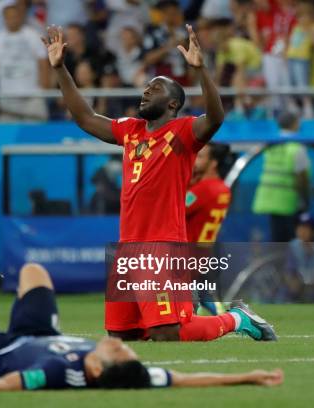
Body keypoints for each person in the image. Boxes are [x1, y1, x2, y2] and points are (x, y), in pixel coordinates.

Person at [45, 25, 275, 342]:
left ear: (172, 104)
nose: (146, 91)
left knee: (167, 331)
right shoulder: (131, 130)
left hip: (162, 245)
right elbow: (85, 118)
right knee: (121, 335)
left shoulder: (183, 133)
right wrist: (59, 69)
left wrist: (201, 71)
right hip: (127, 248)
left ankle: (236, 319)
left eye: (156, 88)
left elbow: (216, 117)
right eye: (146, 87)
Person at [0, 263, 284, 390]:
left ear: (95, 368)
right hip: (42, 337)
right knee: (34, 272)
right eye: (127, 349)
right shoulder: (128, 373)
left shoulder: (57, 371)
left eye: (118, 349)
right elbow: (184, 378)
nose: (122, 346)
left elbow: (5, 384)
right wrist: (247, 376)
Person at [186, 143, 232, 315]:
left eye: (200, 156)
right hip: (205, 249)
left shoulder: (202, 190)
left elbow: (173, 209)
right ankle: (223, 316)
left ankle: (224, 319)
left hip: (188, 252)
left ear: (213, 163)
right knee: (203, 294)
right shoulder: (223, 189)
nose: (194, 160)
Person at [0, 3, 49, 122]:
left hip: (32, 97)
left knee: (37, 135)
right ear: (4, 19)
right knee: (7, 136)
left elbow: (44, 63)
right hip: (6, 98)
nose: (12, 20)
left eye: (15, 16)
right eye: (9, 17)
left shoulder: (33, 36)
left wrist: (43, 91)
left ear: (21, 17)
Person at [252, 111, 310, 242]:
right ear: (295, 124)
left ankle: (278, 263)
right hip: (287, 202)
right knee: (291, 242)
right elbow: (302, 178)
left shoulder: (271, 144)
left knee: (277, 242)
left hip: (268, 199)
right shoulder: (296, 147)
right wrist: (306, 199)